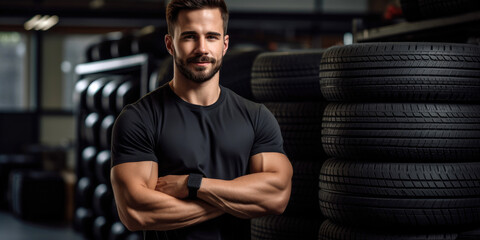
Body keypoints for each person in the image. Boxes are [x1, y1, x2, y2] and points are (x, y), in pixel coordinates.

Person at [110, 0, 293, 239]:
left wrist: (193, 185)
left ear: (225, 44)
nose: (202, 48)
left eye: (212, 37)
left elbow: (277, 196)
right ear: (170, 44)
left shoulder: (256, 117)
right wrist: (234, 201)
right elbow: (137, 211)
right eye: (189, 37)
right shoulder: (139, 119)